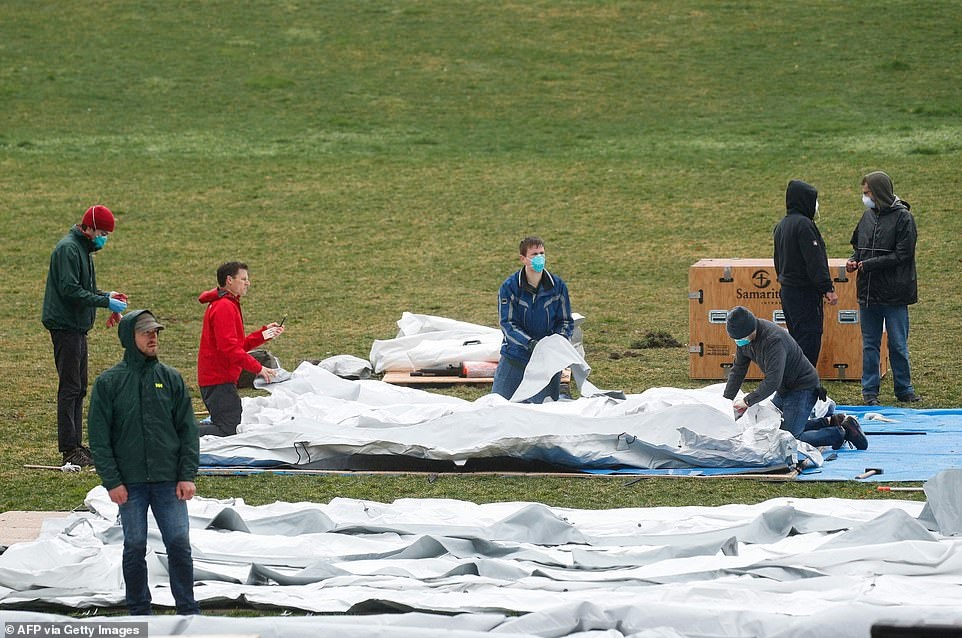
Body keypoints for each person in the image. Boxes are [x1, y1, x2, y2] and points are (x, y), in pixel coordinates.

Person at [87, 310, 200, 615]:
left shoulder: (171, 378)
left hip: (169, 481)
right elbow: (99, 437)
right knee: (134, 546)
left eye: (156, 332)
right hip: (130, 484)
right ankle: (139, 613)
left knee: (179, 544)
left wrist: (186, 475)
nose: (153, 338)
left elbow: (188, 431)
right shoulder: (109, 383)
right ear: (128, 338)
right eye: (146, 333)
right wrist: (112, 481)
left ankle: (188, 611)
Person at [42, 205, 128, 467]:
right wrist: (104, 304)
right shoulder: (69, 249)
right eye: (102, 232)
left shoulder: (82, 250)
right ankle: (69, 448)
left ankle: (77, 444)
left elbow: (85, 288)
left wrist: (106, 296)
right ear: (88, 228)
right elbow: (70, 291)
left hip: (77, 326)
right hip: (65, 325)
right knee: (70, 387)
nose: (104, 238)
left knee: (79, 386)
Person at [722, 306, 867, 451]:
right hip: (785, 387)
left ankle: (839, 433)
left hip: (802, 387)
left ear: (749, 331)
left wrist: (747, 401)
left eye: (739, 339)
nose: (738, 342)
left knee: (789, 439)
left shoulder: (773, 340)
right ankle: (831, 422)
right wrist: (725, 401)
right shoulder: (745, 340)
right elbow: (738, 371)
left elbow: (773, 381)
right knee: (774, 427)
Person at [847, 171, 920, 406]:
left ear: (878, 192)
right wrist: (853, 260)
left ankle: (904, 389)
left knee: (897, 343)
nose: (865, 197)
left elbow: (903, 254)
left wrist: (868, 265)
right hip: (868, 293)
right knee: (870, 344)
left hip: (894, 293)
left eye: (867, 193)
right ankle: (870, 391)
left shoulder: (904, 219)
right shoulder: (866, 217)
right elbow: (858, 247)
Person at [197, 261, 284, 436]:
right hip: (218, 380)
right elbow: (229, 349)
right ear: (229, 280)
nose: (248, 283)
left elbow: (237, 345)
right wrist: (258, 368)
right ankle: (175, 433)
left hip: (219, 379)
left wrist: (264, 334)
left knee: (228, 425)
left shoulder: (226, 303)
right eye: (243, 279)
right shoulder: (224, 307)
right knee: (228, 428)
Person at [492, 236, 574, 403]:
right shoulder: (510, 287)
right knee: (498, 407)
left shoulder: (557, 286)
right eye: (534, 254)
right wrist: (531, 344)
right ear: (523, 259)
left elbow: (565, 321)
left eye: (542, 253)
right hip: (515, 358)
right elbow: (507, 324)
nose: (539, 258)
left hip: (546, 362)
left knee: (544, 412)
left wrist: (556, 343)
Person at [773, 179, 839, 367]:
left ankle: (795, 383)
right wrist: (827, 288)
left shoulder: (782, 225)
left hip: (788, 291)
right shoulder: (804, 225)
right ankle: (805, 384)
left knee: (796, 338)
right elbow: (815, 260)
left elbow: (778, 260)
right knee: (809, 338)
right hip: (804, 293)